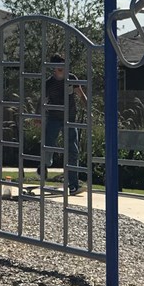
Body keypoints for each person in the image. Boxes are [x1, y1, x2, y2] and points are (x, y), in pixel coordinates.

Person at [37, 54, 88, 193]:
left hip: (70, 118)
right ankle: (44, 166)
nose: (61, 69)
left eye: (63, 66)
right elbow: (42, 99)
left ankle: (73, 184)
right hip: (54, 117)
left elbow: (81, 95)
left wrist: (88, 108)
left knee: (72, 150)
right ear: (53, 68)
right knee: (48, 144)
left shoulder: (71, 78)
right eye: (58, 67)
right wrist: (38, 116)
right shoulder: (49, 83)